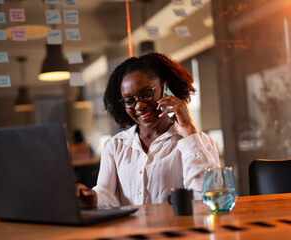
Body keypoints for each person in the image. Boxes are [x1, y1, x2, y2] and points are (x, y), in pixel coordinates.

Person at [76, 52, 220, 207]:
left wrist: (188, 128)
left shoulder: (199, 142)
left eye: (145, 94)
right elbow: (107, 193)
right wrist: (93, 197)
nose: (139, 106)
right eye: (129, 101)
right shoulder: (115, 146)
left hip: (180, 230)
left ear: (165, 89)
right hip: (133, 231)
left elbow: (210, 196)